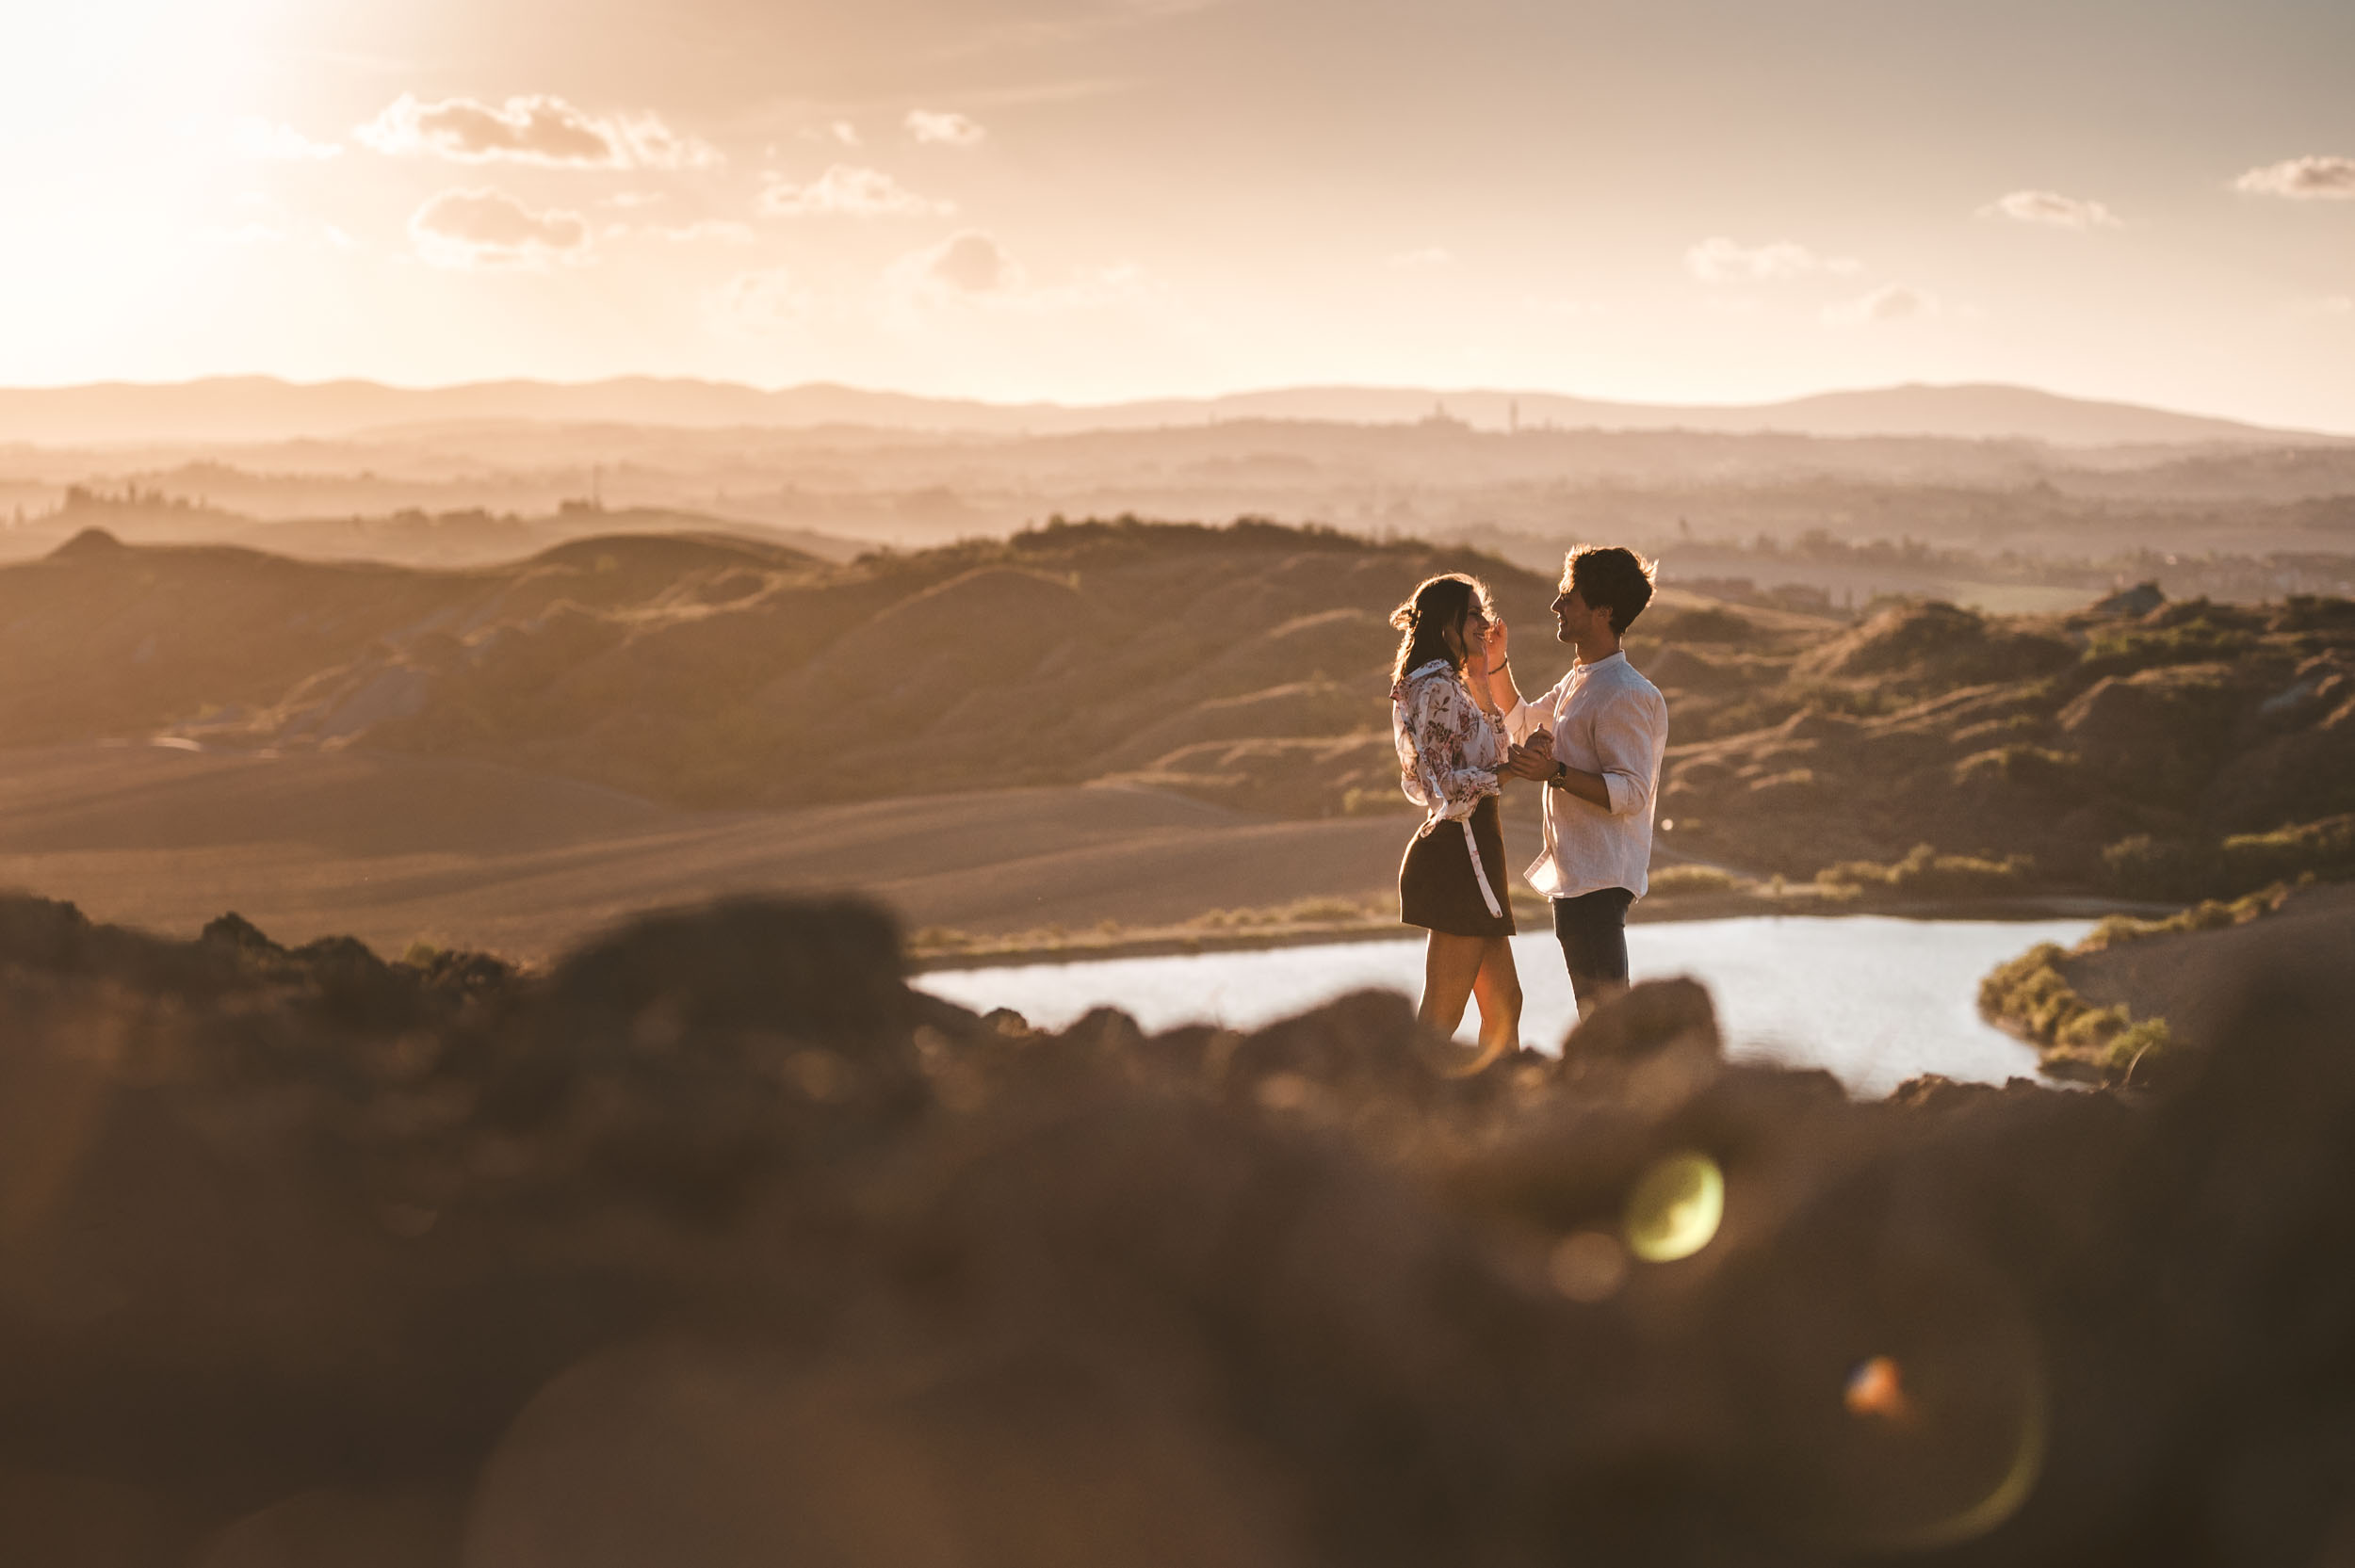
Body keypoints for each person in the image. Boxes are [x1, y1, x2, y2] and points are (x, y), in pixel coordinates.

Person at [1490, 545, 1668, 1018]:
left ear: (1604, 611)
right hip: (1576, 878)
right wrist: (1495, 661)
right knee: (1597, 1014)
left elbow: (1630, 793)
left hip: (1600, 881)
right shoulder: (1580, 682)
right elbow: (1523, 724)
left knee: (1606, 1016)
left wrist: (1557, 774)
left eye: (1568, 597)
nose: (1556, 607)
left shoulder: (1625, 693)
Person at [1388, 572, 1527, 1065]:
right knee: (1442, 1017)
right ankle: (1394, 1113)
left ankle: (1503, 1115)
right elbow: (1442, 786)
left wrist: (1483, 673)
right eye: (1472, 613)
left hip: (1479, 850)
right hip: (1459, 852)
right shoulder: (1433, 689)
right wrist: (1504, 777)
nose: (1483, 622)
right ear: (1444, 621)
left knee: (1504, 1004)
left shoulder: (1459, 684)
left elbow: (1499, 750)